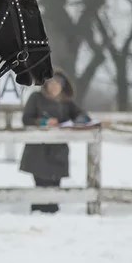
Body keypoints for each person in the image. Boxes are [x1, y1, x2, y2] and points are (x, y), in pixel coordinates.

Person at [19, 70, 92, 213]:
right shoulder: (36, 98)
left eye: (58, 84)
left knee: (55, 186)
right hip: (38, 151)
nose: (54, 86)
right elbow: (26, 119)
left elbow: (84, 116)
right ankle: (38, 213)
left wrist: (77, 120)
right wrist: (44, 122)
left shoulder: (67, 102)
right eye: (51, 83)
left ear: (63, 86)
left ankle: (52, 216)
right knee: (41, 185)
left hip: (58, 152)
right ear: (45, 85)